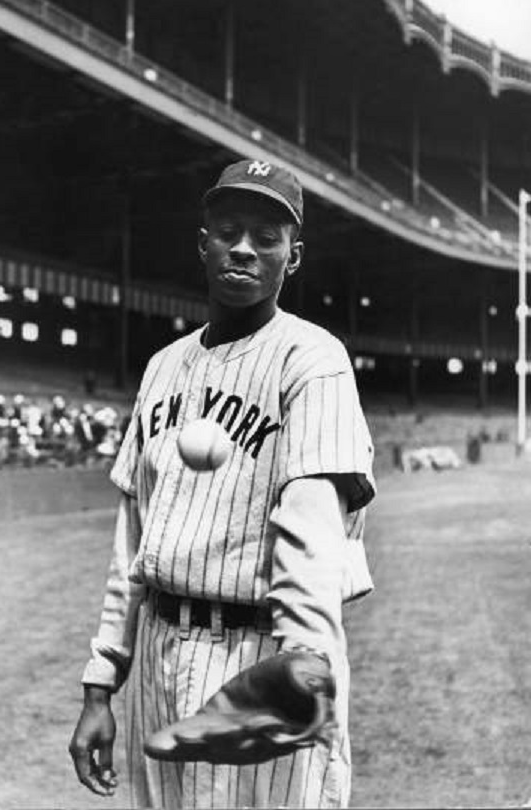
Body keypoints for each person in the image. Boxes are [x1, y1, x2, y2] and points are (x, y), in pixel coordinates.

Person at [69, 159, 376, 809]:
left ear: (292, 258)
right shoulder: (161, 369)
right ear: (202, 242)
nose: (244, 247)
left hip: (258, 656)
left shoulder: (312, 361)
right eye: (229, 229)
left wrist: (303, 668)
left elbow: (313, 532)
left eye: (267, 237)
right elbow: (132, 548)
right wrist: (101, 684)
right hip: (158, 650)